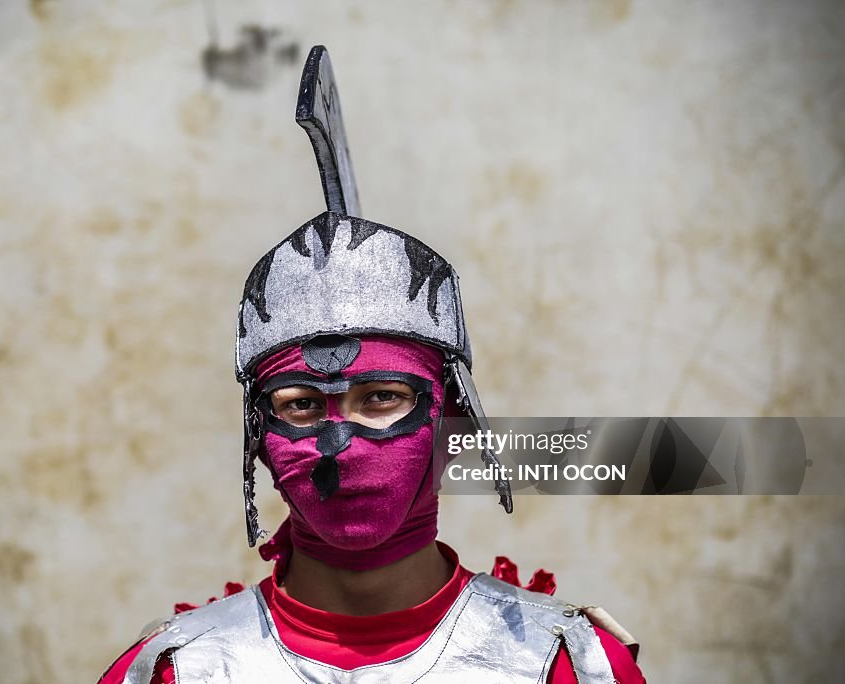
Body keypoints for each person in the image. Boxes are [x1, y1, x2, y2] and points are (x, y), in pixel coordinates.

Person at [99, 46, 645, 684]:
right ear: (259, 441)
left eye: (383, 397)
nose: (339, 443)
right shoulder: (180, 672)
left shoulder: (563, 665)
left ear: (454, 423)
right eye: (300, 405)